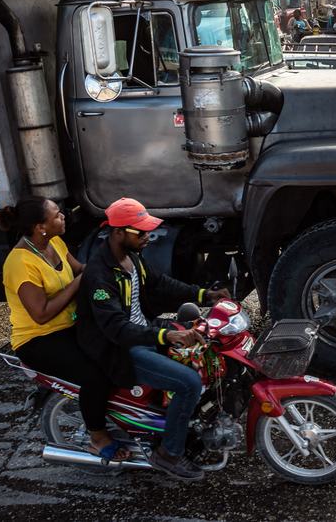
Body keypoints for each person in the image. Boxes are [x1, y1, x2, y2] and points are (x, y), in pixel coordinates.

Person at [78, 198, 229, 480]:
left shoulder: (131, 257)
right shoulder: (100, 274)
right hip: (119, 349)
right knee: (189, 383)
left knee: (205, 344)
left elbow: (161, 282)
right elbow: (116, 329)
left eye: (148, 230)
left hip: (143, 331)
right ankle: (169, 453)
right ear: (118, 232)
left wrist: (204, 295)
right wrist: (167, 335)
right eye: (141, 232)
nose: (148, 237)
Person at [0, 197, 128, 464]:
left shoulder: (55, 243)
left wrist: (112, 269)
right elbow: (41, 313)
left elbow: (81, 270)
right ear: (40, 227)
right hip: (39, 339)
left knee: (124, 348)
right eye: (56, 215)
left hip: (71, 325)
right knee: (95, 376)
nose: (63, 217)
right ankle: (98, 437)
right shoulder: (19, 263)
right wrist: (79, 282)